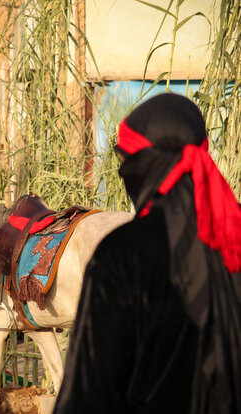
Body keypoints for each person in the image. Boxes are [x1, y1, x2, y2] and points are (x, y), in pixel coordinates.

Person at [54, 93, 240, 414]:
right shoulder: (232, 239)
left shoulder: (122, 253)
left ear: (147, 164)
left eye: (126, 159)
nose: (122, 172)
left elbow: (89, 391)